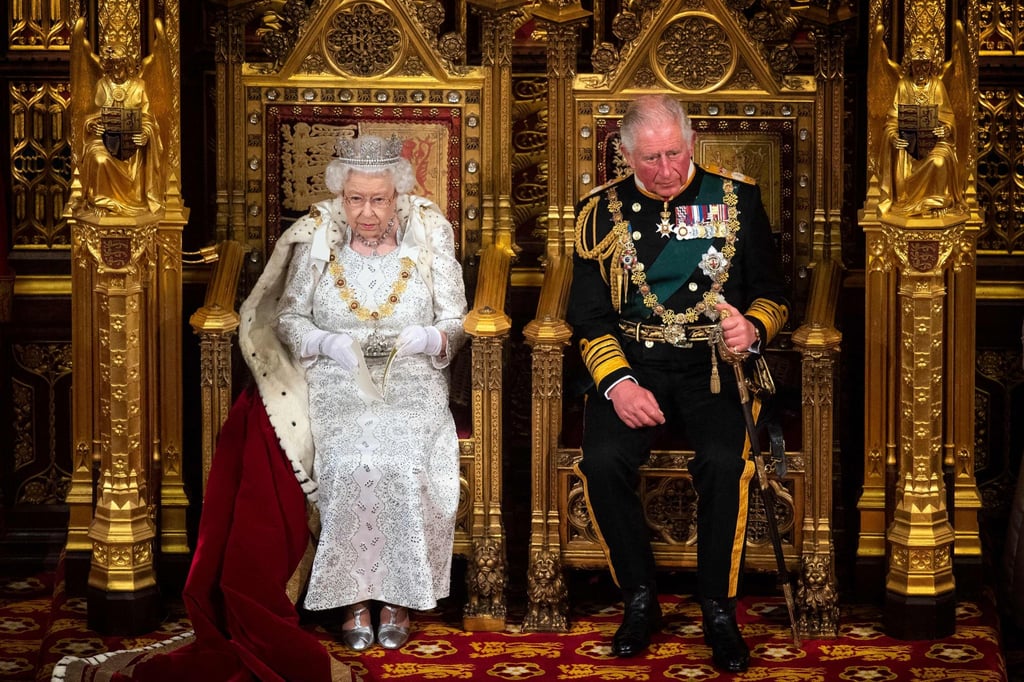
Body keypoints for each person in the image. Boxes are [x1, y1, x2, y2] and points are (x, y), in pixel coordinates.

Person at [567, 94, 789, 672]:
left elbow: (773, 294)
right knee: (602, 461)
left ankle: (718, 605)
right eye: (649, 159)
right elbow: (589, 316)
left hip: (715, 367)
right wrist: (618, 384)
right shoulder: (600, 212)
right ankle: (639, 598)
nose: (664, 171)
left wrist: (753, 326)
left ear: (691, 145)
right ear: (624, 154)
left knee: (722, 460)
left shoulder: (736, 199)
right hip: (636, 367)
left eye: (673, 154)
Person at [245, 133, 468, 652]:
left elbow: (457, 319)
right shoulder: (318, 238)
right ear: (340, 197)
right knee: (350, 457)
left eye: (379, 199)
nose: (366, 212)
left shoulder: (431, 234)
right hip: (336, 376)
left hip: (412, 377)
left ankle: (396, 596)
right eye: (355, 199)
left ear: (399, 195)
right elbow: (291, 316)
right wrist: (324, 342)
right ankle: (353, 599)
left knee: (399, 456)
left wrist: (433, 337)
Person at [79, 41, 165, 215]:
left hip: (130, 143)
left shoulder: (139, 86)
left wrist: (146, 134)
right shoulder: (102, 85)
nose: (116, 69)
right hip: (104, 141)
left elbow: (148, 119)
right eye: (112, 64)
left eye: (119, 63)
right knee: (98, 159)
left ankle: (135, 200)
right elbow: (90, 116)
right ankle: (102, 202)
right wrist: (93, 125)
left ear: (127, 63)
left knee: (135, 156)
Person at [879, 42, 963, 216]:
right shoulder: (903, 86)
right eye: (917, 65)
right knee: (904, 172)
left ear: (931, 65)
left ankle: (937, 203)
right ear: (911, 65)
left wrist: (946, 129)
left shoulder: (937, 86)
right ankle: (905, 202)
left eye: (925, 65)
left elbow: (949, 117)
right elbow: (892, 120)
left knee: (939, 161)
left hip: (934, 143)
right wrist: (894, 137)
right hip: (909, 146)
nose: (921, 69)